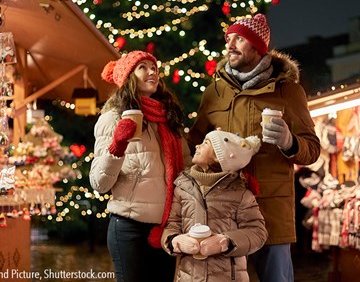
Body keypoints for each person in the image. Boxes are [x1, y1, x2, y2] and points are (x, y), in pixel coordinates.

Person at [187, 14, 321, 282]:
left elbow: (313, 150)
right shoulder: (214, 92)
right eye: (228, 39)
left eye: (239, 38)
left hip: (270, 211)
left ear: (258, 46)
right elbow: (193, 145)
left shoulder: (288, 91)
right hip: (225, 214)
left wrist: (289, 142)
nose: (230, 45)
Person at [89, 50, 192, 282]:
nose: (152, 72)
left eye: (154, 67)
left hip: (167, 229)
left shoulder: (169, 118)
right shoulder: (112, 118)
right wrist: (117, 145)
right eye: (142, 67)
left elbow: (186, 170)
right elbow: (99, 183)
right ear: (128, 77)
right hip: (129, 228)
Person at [161, 129, 268, 282]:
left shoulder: (241, 194)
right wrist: (175, 241)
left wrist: (225, 242)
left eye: (205, 143)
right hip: (187, 276)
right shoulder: (182, 187)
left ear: (219, 158)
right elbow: (172, 224)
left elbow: (258, 232)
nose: (197, 145)